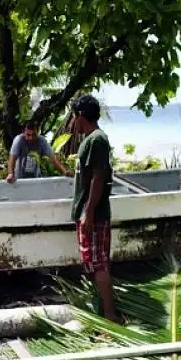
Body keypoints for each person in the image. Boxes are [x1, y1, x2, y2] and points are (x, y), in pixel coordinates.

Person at [70, 94, 121, 324]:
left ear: (80, 116)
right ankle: (102, 312)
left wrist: (89, 213)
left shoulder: (97, 140)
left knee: (99, 264)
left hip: (95, 215)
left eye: (73, 117)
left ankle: (111, 316)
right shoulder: (89, 140)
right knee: (91, 264)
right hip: (86, 213)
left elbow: (98, 178)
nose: (72, 123)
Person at [6, 120, 73, 183]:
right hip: (19, 180)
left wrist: (65, 171)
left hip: (36, 180)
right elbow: (12, 159)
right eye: (28, 135)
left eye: (34, 134)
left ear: (37, 132)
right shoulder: (18, 140)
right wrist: (11, 174)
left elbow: (53, 158)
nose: (31, 138)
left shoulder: (42, 141)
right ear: (23, 132)